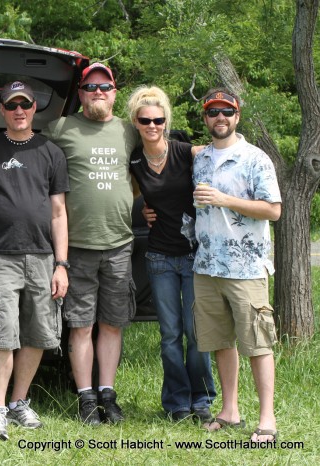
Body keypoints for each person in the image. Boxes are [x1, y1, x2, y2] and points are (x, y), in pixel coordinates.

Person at [42, 62, 139, 425]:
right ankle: (85, 398)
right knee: (81, 325)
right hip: (76, 246)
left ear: (115, 92)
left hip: (119, 244)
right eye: (91, 87)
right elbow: (26, 146)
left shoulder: (129, 131)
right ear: (81, 93)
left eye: (105, 87)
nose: (98, 93)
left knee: (112, 323)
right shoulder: (62, 128)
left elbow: (157, 159)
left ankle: (108, 394)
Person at [0, 81, 68, 440]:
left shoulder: (51, 151)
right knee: (2, 334)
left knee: (37, 334)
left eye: (25, 105)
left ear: (34, 109)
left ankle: (19, 402)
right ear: (2, 109)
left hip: (44, 257)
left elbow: (59, 212)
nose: (18, 111)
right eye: (11, 105)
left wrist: (62, 264)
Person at [191, 89, 281, 443]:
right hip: (207, 266)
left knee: (257, 344)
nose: (220, 118)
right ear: (205, 119)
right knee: (222, 343)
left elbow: (273, 210)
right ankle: (230, 412)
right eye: (213, 112)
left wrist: (225, 199)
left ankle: (267, 421)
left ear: (237, 116)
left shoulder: (255, 159)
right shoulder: (200, 159)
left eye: (226, 111)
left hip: (246, 269)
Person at [126, 85, 216, 422]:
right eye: (145, 119)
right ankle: (177, 403)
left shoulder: (186, 153)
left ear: (166, 121)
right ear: (136, 122)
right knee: (169, 336)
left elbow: (221, 158)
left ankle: (202, 400)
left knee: (197, 332)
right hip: (160, 257)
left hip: (195, 256)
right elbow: (126, 195)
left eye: (158, 119)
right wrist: (144, 210)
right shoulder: (134, 160)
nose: (152, 125)